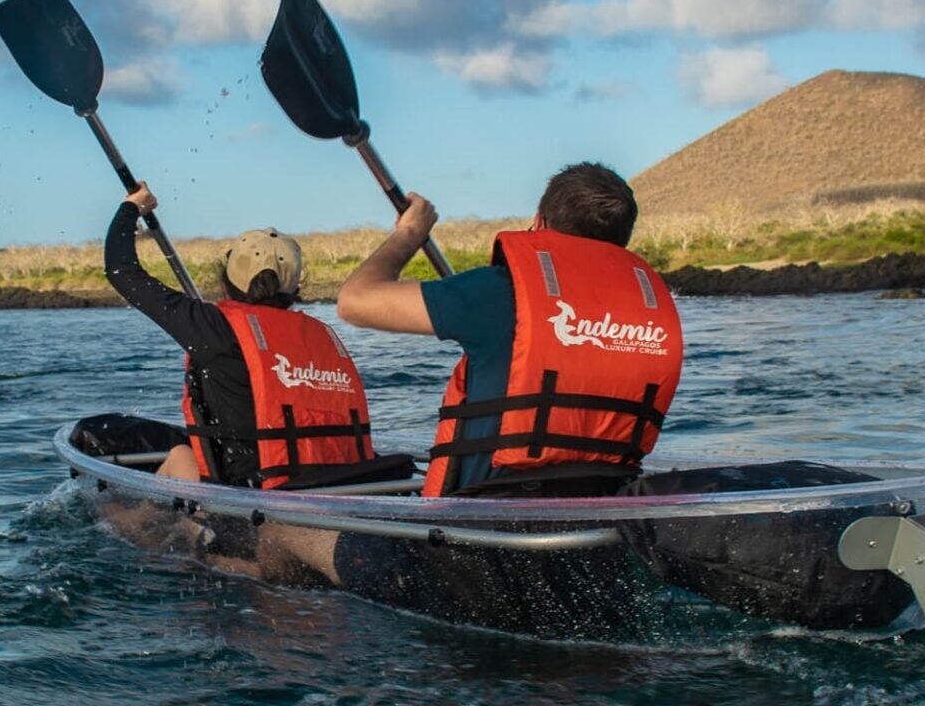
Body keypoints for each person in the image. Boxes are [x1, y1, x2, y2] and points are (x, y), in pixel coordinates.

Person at [262, 162, 684, 601]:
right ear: (622, 241)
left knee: (279, 526)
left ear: (539, 223)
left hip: (472, 560)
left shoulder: (499, 291)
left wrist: (411, 232)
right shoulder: (649, 310)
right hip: (595, 557)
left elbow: (355, 301)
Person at [103, 183, 412, 491]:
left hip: (252, 495)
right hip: (334, 485)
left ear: (227, 278)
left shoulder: (210, 327)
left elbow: (121, 270)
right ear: (294, 285)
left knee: (181, 455)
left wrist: (132, 207)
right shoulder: (321, 335)